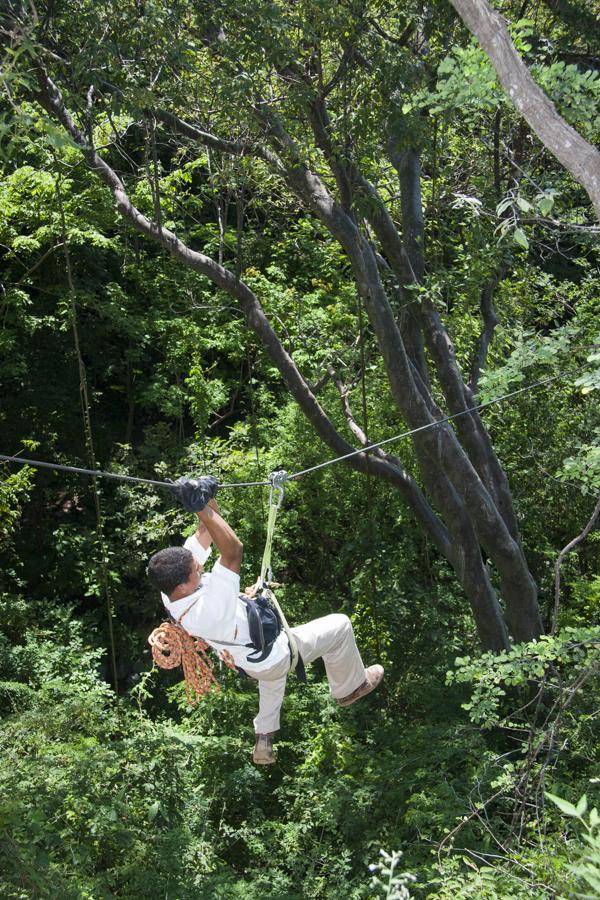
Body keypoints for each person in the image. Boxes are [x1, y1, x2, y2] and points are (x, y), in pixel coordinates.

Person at [147, 476, 384, 765]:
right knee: (340, 625)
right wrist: (201, 508)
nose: (200, 565)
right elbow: (233, 550)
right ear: (182, 584)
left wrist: (203, 500)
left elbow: (208, 529)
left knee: (271, 678)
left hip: (249, 660)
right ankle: (350, 688)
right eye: (197, 569)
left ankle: (264, 738)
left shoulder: (170, 590)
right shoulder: (205, 611)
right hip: (271, 656)